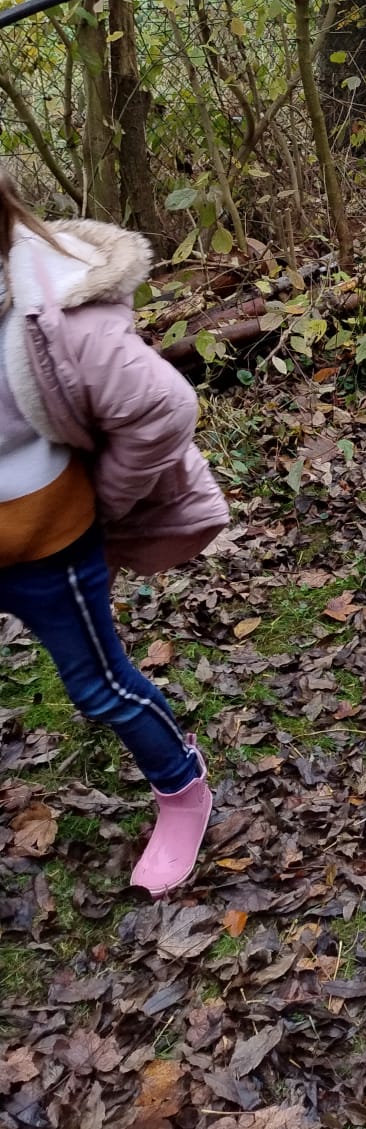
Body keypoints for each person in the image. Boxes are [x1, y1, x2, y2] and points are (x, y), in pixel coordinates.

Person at [0, 174, 230, 897]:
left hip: (45, 546)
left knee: (98, 686)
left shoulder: (55, 311)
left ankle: (182, 788)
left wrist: (106, 502)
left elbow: (163, 409)